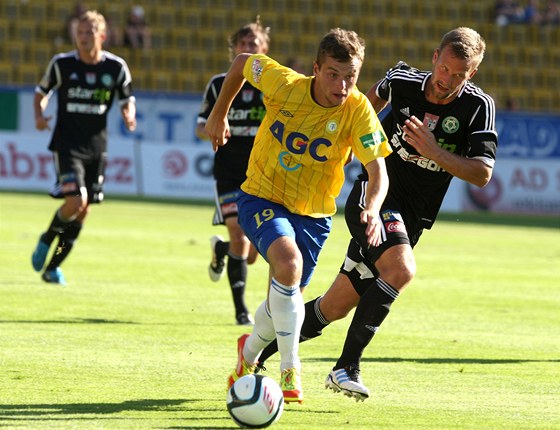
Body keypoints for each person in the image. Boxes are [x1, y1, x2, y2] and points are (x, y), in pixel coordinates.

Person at [255, 27, 498, 401]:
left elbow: (482, 174)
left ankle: (255, 353)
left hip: (413, 219)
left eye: (459, 75)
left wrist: (434, 152)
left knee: (332, 306)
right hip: (375, 200)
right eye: (445, 68)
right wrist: (351, 143)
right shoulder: (402, 80)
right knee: (401, 270)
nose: (447, 80)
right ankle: (345, 367)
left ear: (472, 75)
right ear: (435, 57)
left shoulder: (478, 107)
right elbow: (363, 103)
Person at [205, 28, 392, 403]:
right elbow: (242, 64)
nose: (342, 86)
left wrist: (371, 208)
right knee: (287, 265)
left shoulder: (357, 110)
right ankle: (290, 368)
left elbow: (378, 173)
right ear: (316, 69)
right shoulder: (284, 84)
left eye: (350, 77)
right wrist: (218, 115)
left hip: (314, 215)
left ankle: (248, 356)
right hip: (261, 195)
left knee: (285, 303)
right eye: (333, 74)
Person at [31, 10, 137, 285]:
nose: (83, 37)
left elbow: (127, 99)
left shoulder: (115, 67)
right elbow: (41, 92)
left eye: (89, 32)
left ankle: (53, 267)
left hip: (97, 147)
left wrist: (129, 114)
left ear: (102, 36)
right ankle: (47, 237)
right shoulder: (62, 64)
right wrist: (39, 115)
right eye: (80, 32)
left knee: (84, 209)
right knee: (76, 201)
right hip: (66, 144)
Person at [196, 18, 271, 326]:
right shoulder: (219, 84)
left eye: (254, 44)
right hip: (228, 171)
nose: (248, 48)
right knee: (240, 237)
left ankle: (221, 250)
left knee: (252, 253)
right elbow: (201, 125)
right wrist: (214, 128)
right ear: (234, 52)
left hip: (262, 175)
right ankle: (241, 310)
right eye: (243, 45)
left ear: (264, 50)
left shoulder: (274, 84)